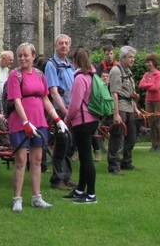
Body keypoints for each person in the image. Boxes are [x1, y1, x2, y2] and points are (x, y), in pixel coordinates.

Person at [7, 42, 68, 212]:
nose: (22, 58)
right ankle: (17, 198)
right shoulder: (15, 75)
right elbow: (17, 101)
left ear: (33, 56)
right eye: (20, 55)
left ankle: (36, 197)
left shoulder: (40, 74)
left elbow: (45, 99)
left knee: (37, 160)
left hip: (39, 120)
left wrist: (57, 119)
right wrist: (26, 122)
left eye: (26, 55)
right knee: (20, 160)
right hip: (20, 122)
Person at [63, 47, 99, 204]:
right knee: (86, 157)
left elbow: (75, 104)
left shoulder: (79, 78)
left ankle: (91, 194)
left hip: (82, 121)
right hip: (92, 119)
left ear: (75, 61)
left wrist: (67, 119)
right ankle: (80, 189)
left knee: (86, 159)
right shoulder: (92, 76)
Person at [45, 34, 76, 190]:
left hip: (71, 110)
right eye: (61, 43)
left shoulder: (70, 65)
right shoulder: (52, 65)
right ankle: (57, 179)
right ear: (55, 46)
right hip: (61, 110)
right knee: (61, 144)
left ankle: (66, 176)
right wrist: (64, 113)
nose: (64, 46)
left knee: (70, 145)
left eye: (66, 44)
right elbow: (54, 92)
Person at [107, 46, 141, 175]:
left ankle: (126, 161)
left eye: (133, 57)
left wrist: (135, 108)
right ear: (122, 58)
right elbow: (114, 93)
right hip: (120, 106)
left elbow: (129, 92)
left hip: (128, 106)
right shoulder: (116, 71)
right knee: (116, 136)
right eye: (130, 57)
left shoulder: (127, 71)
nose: (133, 59)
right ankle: (113, 165)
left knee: (132, 136)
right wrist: (116, 114)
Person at [139, 53, 160, 152]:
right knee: (151, 123)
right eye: (147, 62)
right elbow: (141, 85)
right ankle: (153, 144)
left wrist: (147, 85)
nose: (147, 64)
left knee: (157, 123)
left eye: (149, 62)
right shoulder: (146, 74)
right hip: (148, 100)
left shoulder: (158, 74)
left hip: (158, 100)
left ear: (154, 63)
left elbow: (157, 87)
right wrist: (150, 84)